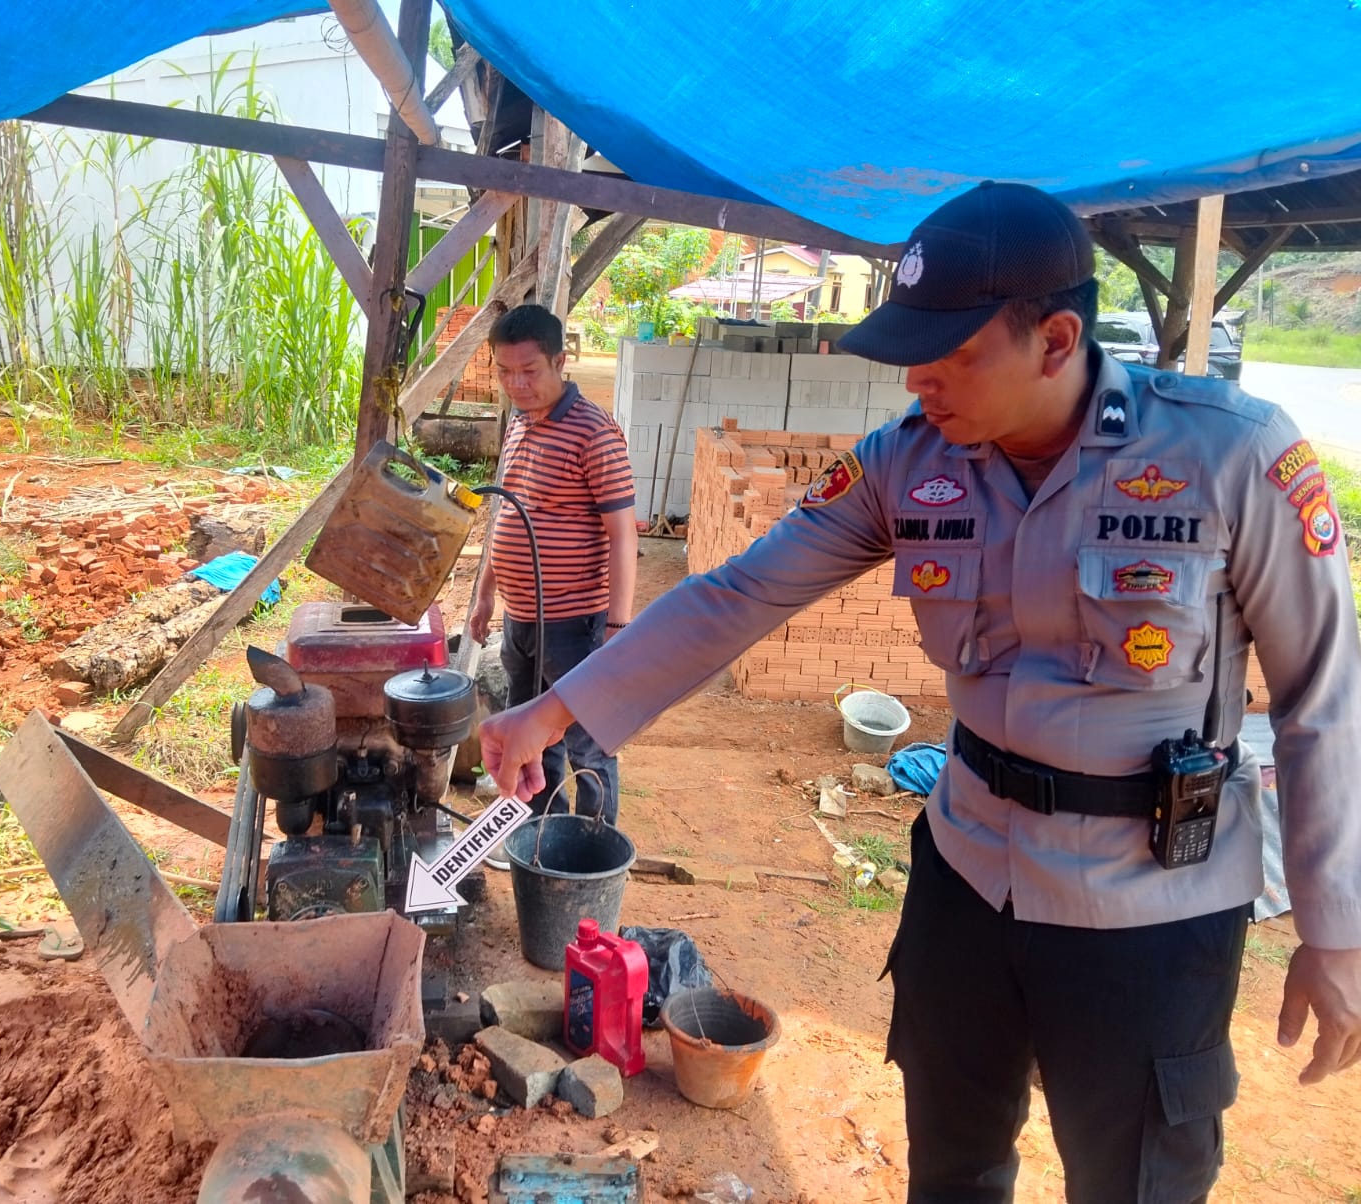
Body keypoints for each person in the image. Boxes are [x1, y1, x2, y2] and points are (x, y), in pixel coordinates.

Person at [479, 183, 1361, 1203]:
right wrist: (555, 707)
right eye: (913, 348)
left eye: (953, 351)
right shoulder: (910, 461)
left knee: (1133, 1182)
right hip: (969, 881)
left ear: (1056, 337)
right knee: (951, 1167)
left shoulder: (1229, 456)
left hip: (1149, 912)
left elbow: (1321, 699)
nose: (919, 377)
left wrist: (1334, 931)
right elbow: (737, 593)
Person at [469, 303, 636, 824]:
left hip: (575, 625)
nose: (516, 384)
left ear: (561, 361)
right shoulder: (519, 423)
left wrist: (617, 626)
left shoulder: (594, 432)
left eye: (529, 370)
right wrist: (485, 594)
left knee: (588, 746)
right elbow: (506, 511)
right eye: (505, 372)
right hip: (520, 621)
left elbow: (623, 533)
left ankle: (590, 847)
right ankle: (541, 833)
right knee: (531, 736)